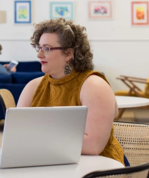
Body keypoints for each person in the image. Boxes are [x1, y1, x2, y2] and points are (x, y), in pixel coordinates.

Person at [17, 18, 126, 165]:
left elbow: (93, 146)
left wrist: (36, 139)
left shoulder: (94, 86)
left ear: (68, 53)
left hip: (98, 167)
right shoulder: (33, 87)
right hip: (48, 162)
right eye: (39, 47)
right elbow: (16, 137)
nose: (39, 55)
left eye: (47, 48)